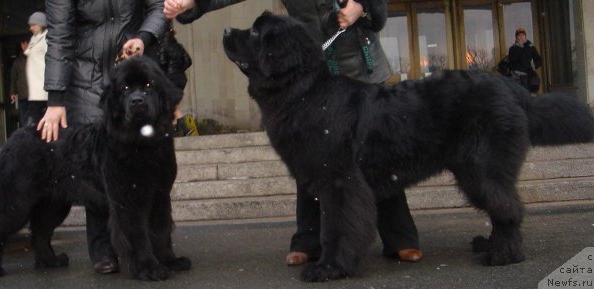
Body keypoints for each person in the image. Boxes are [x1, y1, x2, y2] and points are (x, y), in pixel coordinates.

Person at [164, 0, 422, 266]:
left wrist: (362, 8)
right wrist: (194, 3)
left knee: (376, 157)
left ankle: (400, 238)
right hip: (312, 67)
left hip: (361, 69)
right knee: (309, 157)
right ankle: (308, 241)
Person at [40, 0, 168, 274]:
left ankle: (151, 249)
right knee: (99, 172)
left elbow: (159, 6)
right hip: (86, 79)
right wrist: (55, 98)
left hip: (134, 73)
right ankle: (103, 249)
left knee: (148, 168)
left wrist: (143, 37)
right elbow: (60, 35)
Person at [24, 12, 49, 124]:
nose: (31, 28)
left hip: (43, 90)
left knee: (33, 122)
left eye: (34, 25)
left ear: (41, 24)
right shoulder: (34, 39)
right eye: (30, 25)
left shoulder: (46, 39)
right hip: (35, 90)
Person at [508, 28, 542, 93]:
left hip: (529, 77)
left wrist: (533, 66)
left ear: (525, 36)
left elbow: (539, 60)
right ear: (516, 37)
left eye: (523, 35)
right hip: (516, 77)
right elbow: (512, 59)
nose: (521, 37)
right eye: (519, 35)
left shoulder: (531, 47)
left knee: (530, 95)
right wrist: (520, 47)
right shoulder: (513, 48)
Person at [9, 39, 29, 127]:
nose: (25, 45)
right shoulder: (17, 62)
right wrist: (13, 92)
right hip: (23, 97)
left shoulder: (37, 58)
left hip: (37, 97)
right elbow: (13, 78)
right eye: (23, 43)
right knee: (24, 122)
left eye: (26, 43)